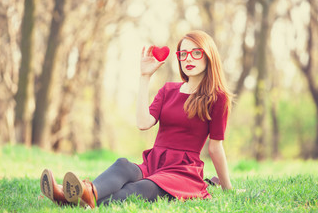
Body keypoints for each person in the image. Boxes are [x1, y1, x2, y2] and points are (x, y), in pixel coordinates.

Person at [40, 30, 234, 208]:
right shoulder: (168, 90)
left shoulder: (217, 98)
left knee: (141, 188)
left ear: (209, 55)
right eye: (183, 54)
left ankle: (73, 198)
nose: (188, 58)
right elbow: (143, 123)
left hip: (182, 171)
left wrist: (228, 188)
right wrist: (144, 76)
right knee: (122, 165)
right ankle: (84, 193)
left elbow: (215, 147)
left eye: (195, 53)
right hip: (155, 161)